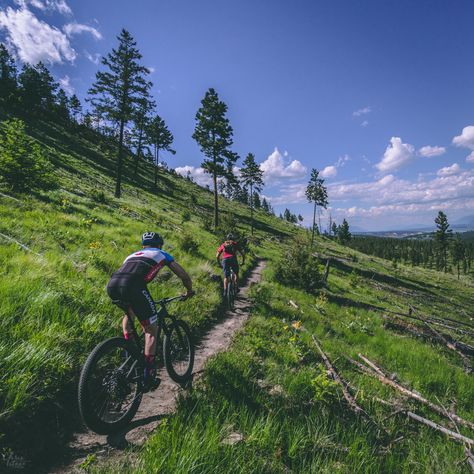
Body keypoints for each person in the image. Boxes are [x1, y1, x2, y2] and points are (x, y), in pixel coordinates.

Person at [106, 231, 194, 391]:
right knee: (151, 329)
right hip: (133, 286)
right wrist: (189, 291)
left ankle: (129, 352)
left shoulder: (132, 255)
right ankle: (148, 374)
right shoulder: (161, 254)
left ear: (143, 245)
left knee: (129, 313)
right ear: (159, 244)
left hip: (113, 284)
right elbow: (183, 275)